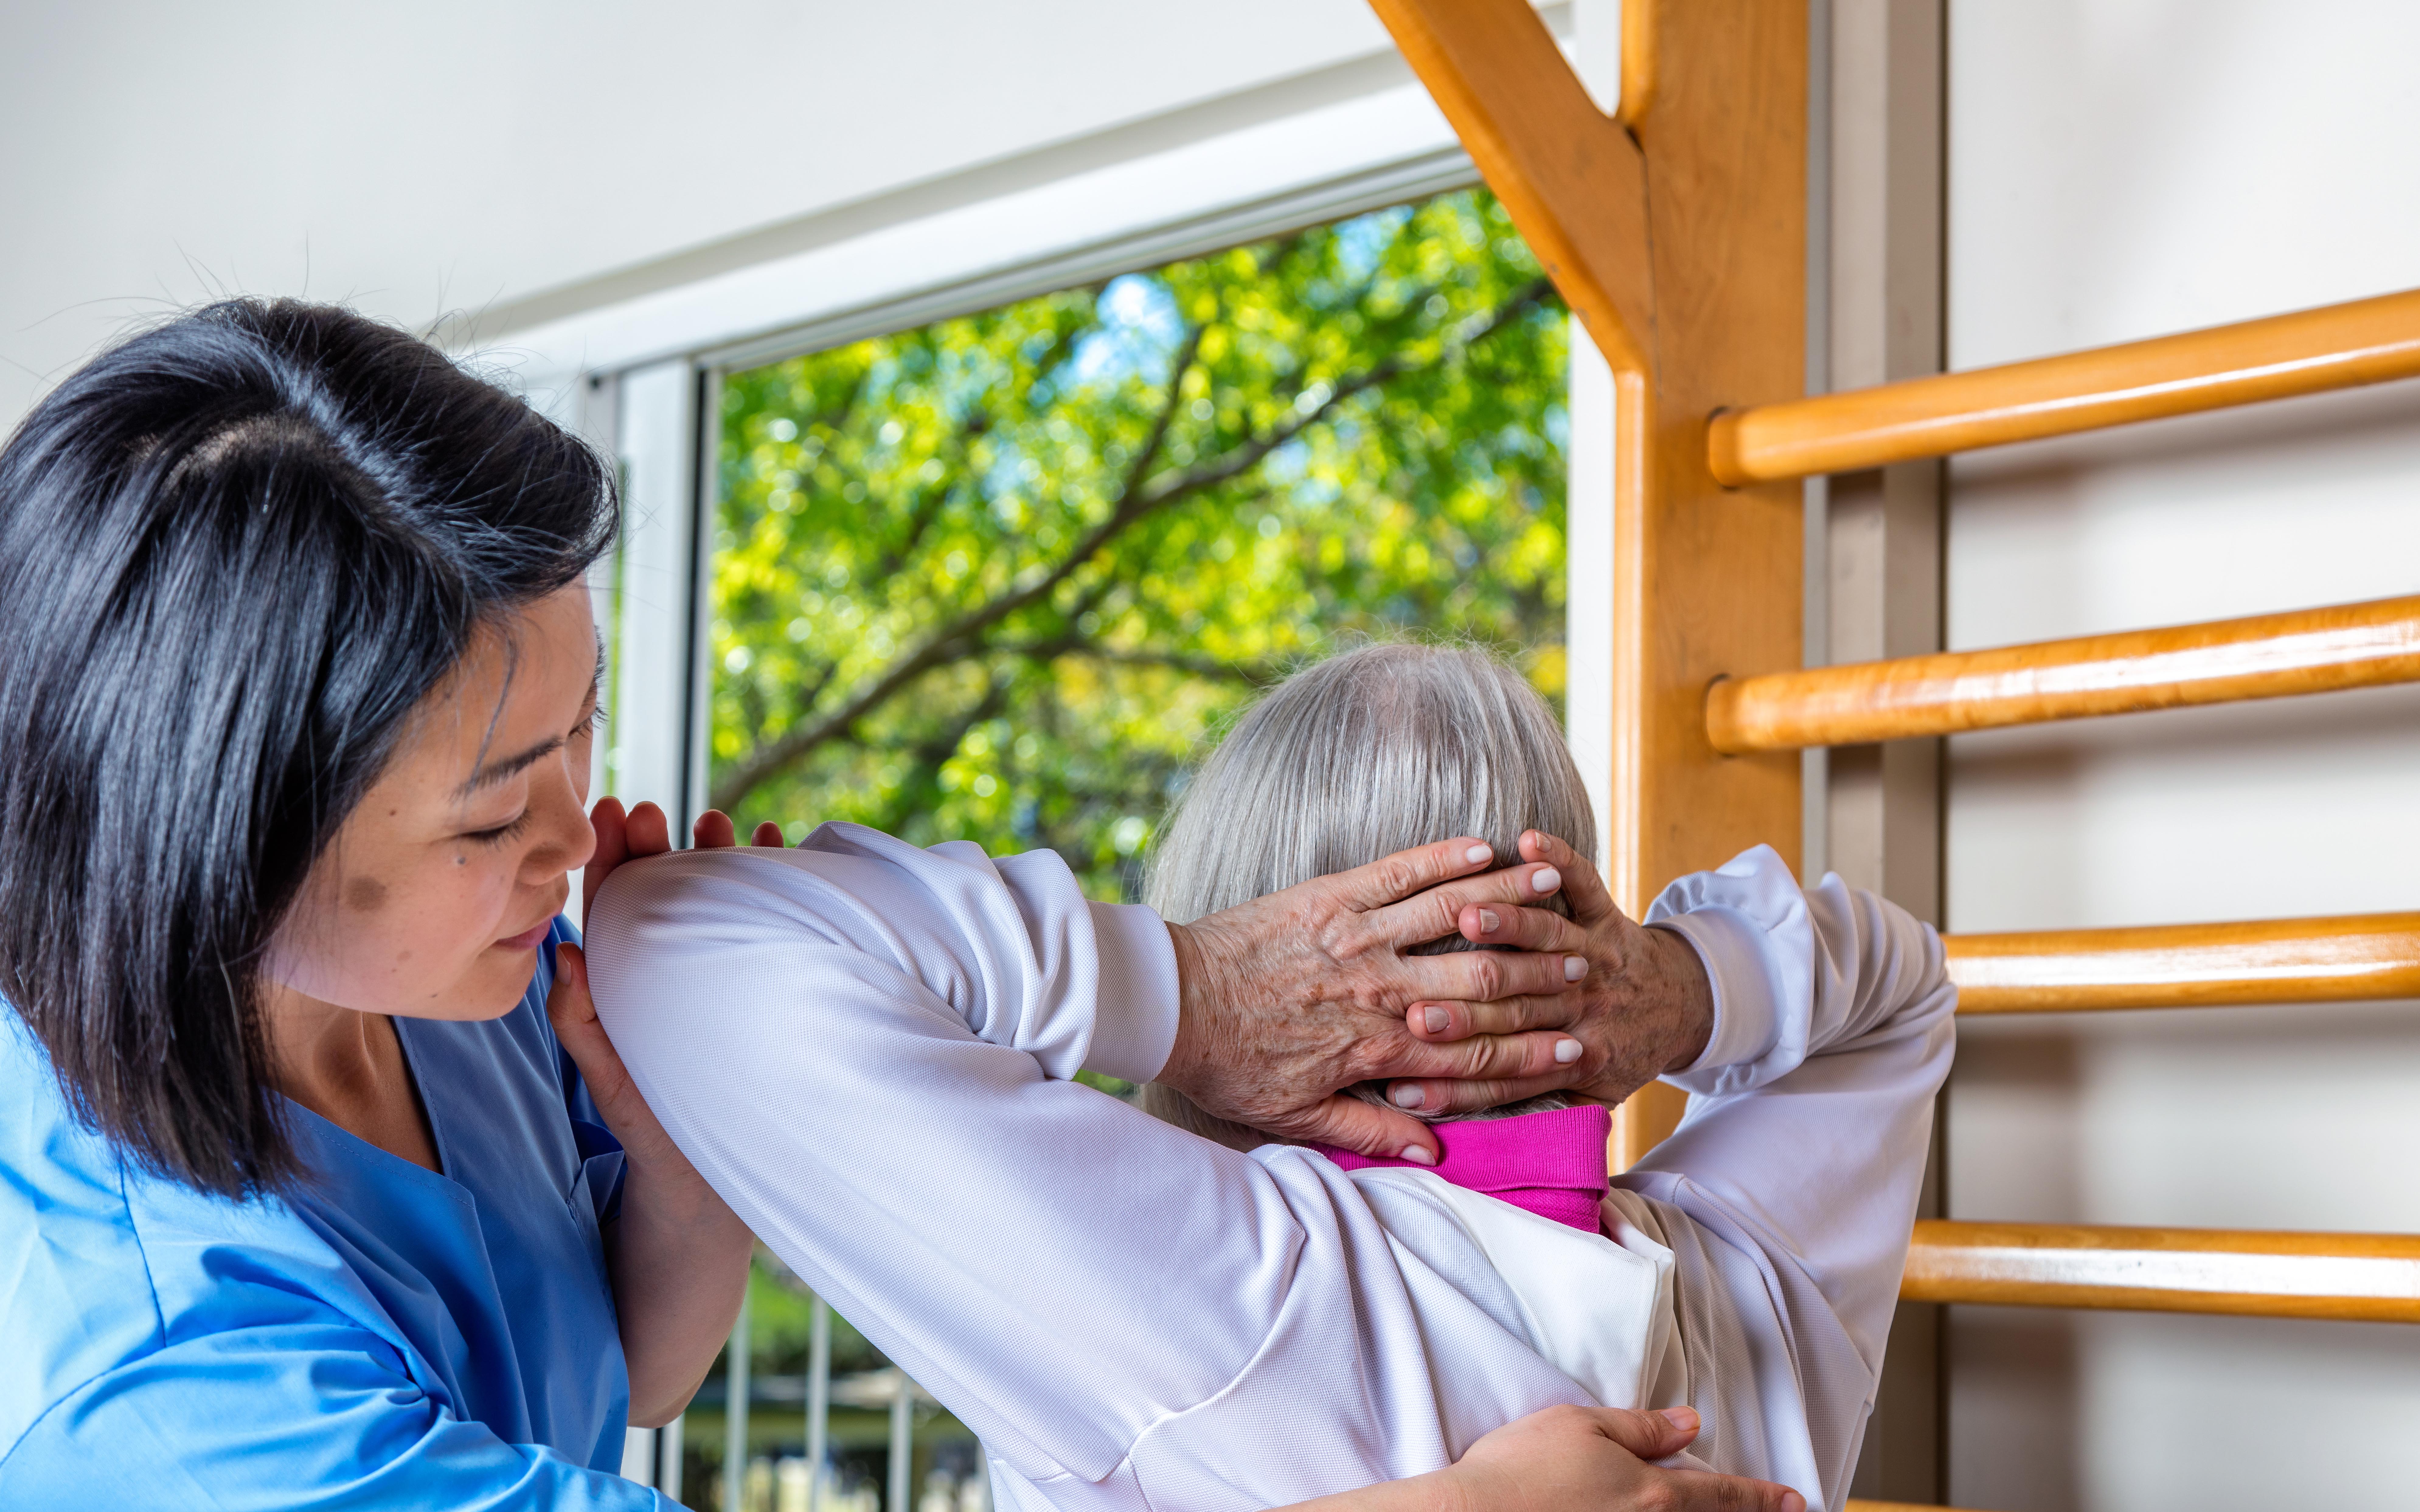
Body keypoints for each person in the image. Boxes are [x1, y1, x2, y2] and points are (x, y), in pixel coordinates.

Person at [0, 299, 1784, 1511]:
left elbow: (627, 1364)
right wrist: (1185, 998)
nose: (573, 840)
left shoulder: (456, 981)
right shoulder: (157, 1392)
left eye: (579, 732)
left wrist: (679, 1145)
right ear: (222, 856)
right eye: (491, 812)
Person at [579, 645, 1953, 1512]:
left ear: (1272, 941)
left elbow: (677, 937)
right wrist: (1683, 987)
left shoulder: (1229, 1284)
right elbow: (1900, 991)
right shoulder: (1756, 1291)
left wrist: (1186, 991)